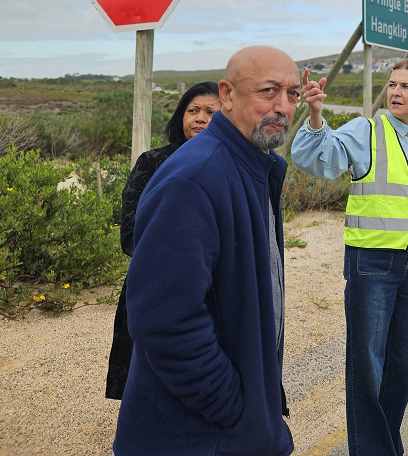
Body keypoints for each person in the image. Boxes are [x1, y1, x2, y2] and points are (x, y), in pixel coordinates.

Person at [113, 46, 300, 456]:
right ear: (227, 95)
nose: (283, 107)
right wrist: (233, 407)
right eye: (268, 91)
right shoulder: (194, 178)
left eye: (293, 94)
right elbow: (164, 319)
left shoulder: (254, 167)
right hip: (196, 437)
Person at [291, 59, 408, 456]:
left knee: (403, 367)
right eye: (391, 84)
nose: (396, 92)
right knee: (367, 367)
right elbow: (313, 157)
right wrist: (316, 116)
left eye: (406, 86)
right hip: (372, 264)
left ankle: (380, 444)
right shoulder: (367, 130)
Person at [105, 81, 220, 400]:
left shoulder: (234, 166)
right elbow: (130, 233)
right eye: (193, 110)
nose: (200, 117)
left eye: (211, 111)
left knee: (206, 384)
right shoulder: (153, 163)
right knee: (148, 385)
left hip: (216, 292)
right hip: (154, 288)